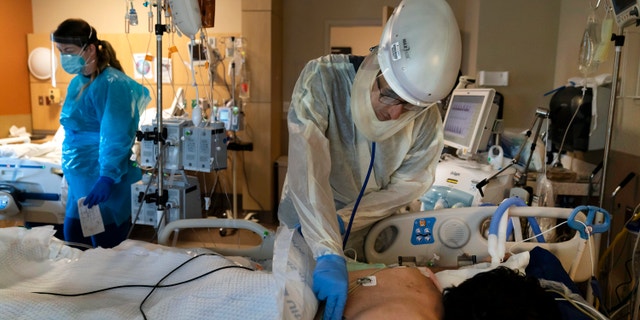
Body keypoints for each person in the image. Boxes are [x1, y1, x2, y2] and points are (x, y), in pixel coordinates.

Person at [276, 0, 462, 319]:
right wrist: (325, 244)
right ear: (378, 61)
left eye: (410, 106)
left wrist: (347, 219)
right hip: (307, 227)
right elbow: (308, 169)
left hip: (369, 239)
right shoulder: (323, 79)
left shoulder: (426, 121)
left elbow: (407, 187)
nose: (394, 113)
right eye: (390, 95)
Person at [52, 19, 150, 249]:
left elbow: (116, 135)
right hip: (80, 180)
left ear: (90, 49)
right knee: (74, 242)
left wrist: (107, 177)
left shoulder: (112, 84)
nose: (64, 57)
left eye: (69, 51)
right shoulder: (77, 83)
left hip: (102, 180)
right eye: (60, 51)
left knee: (105, 250)